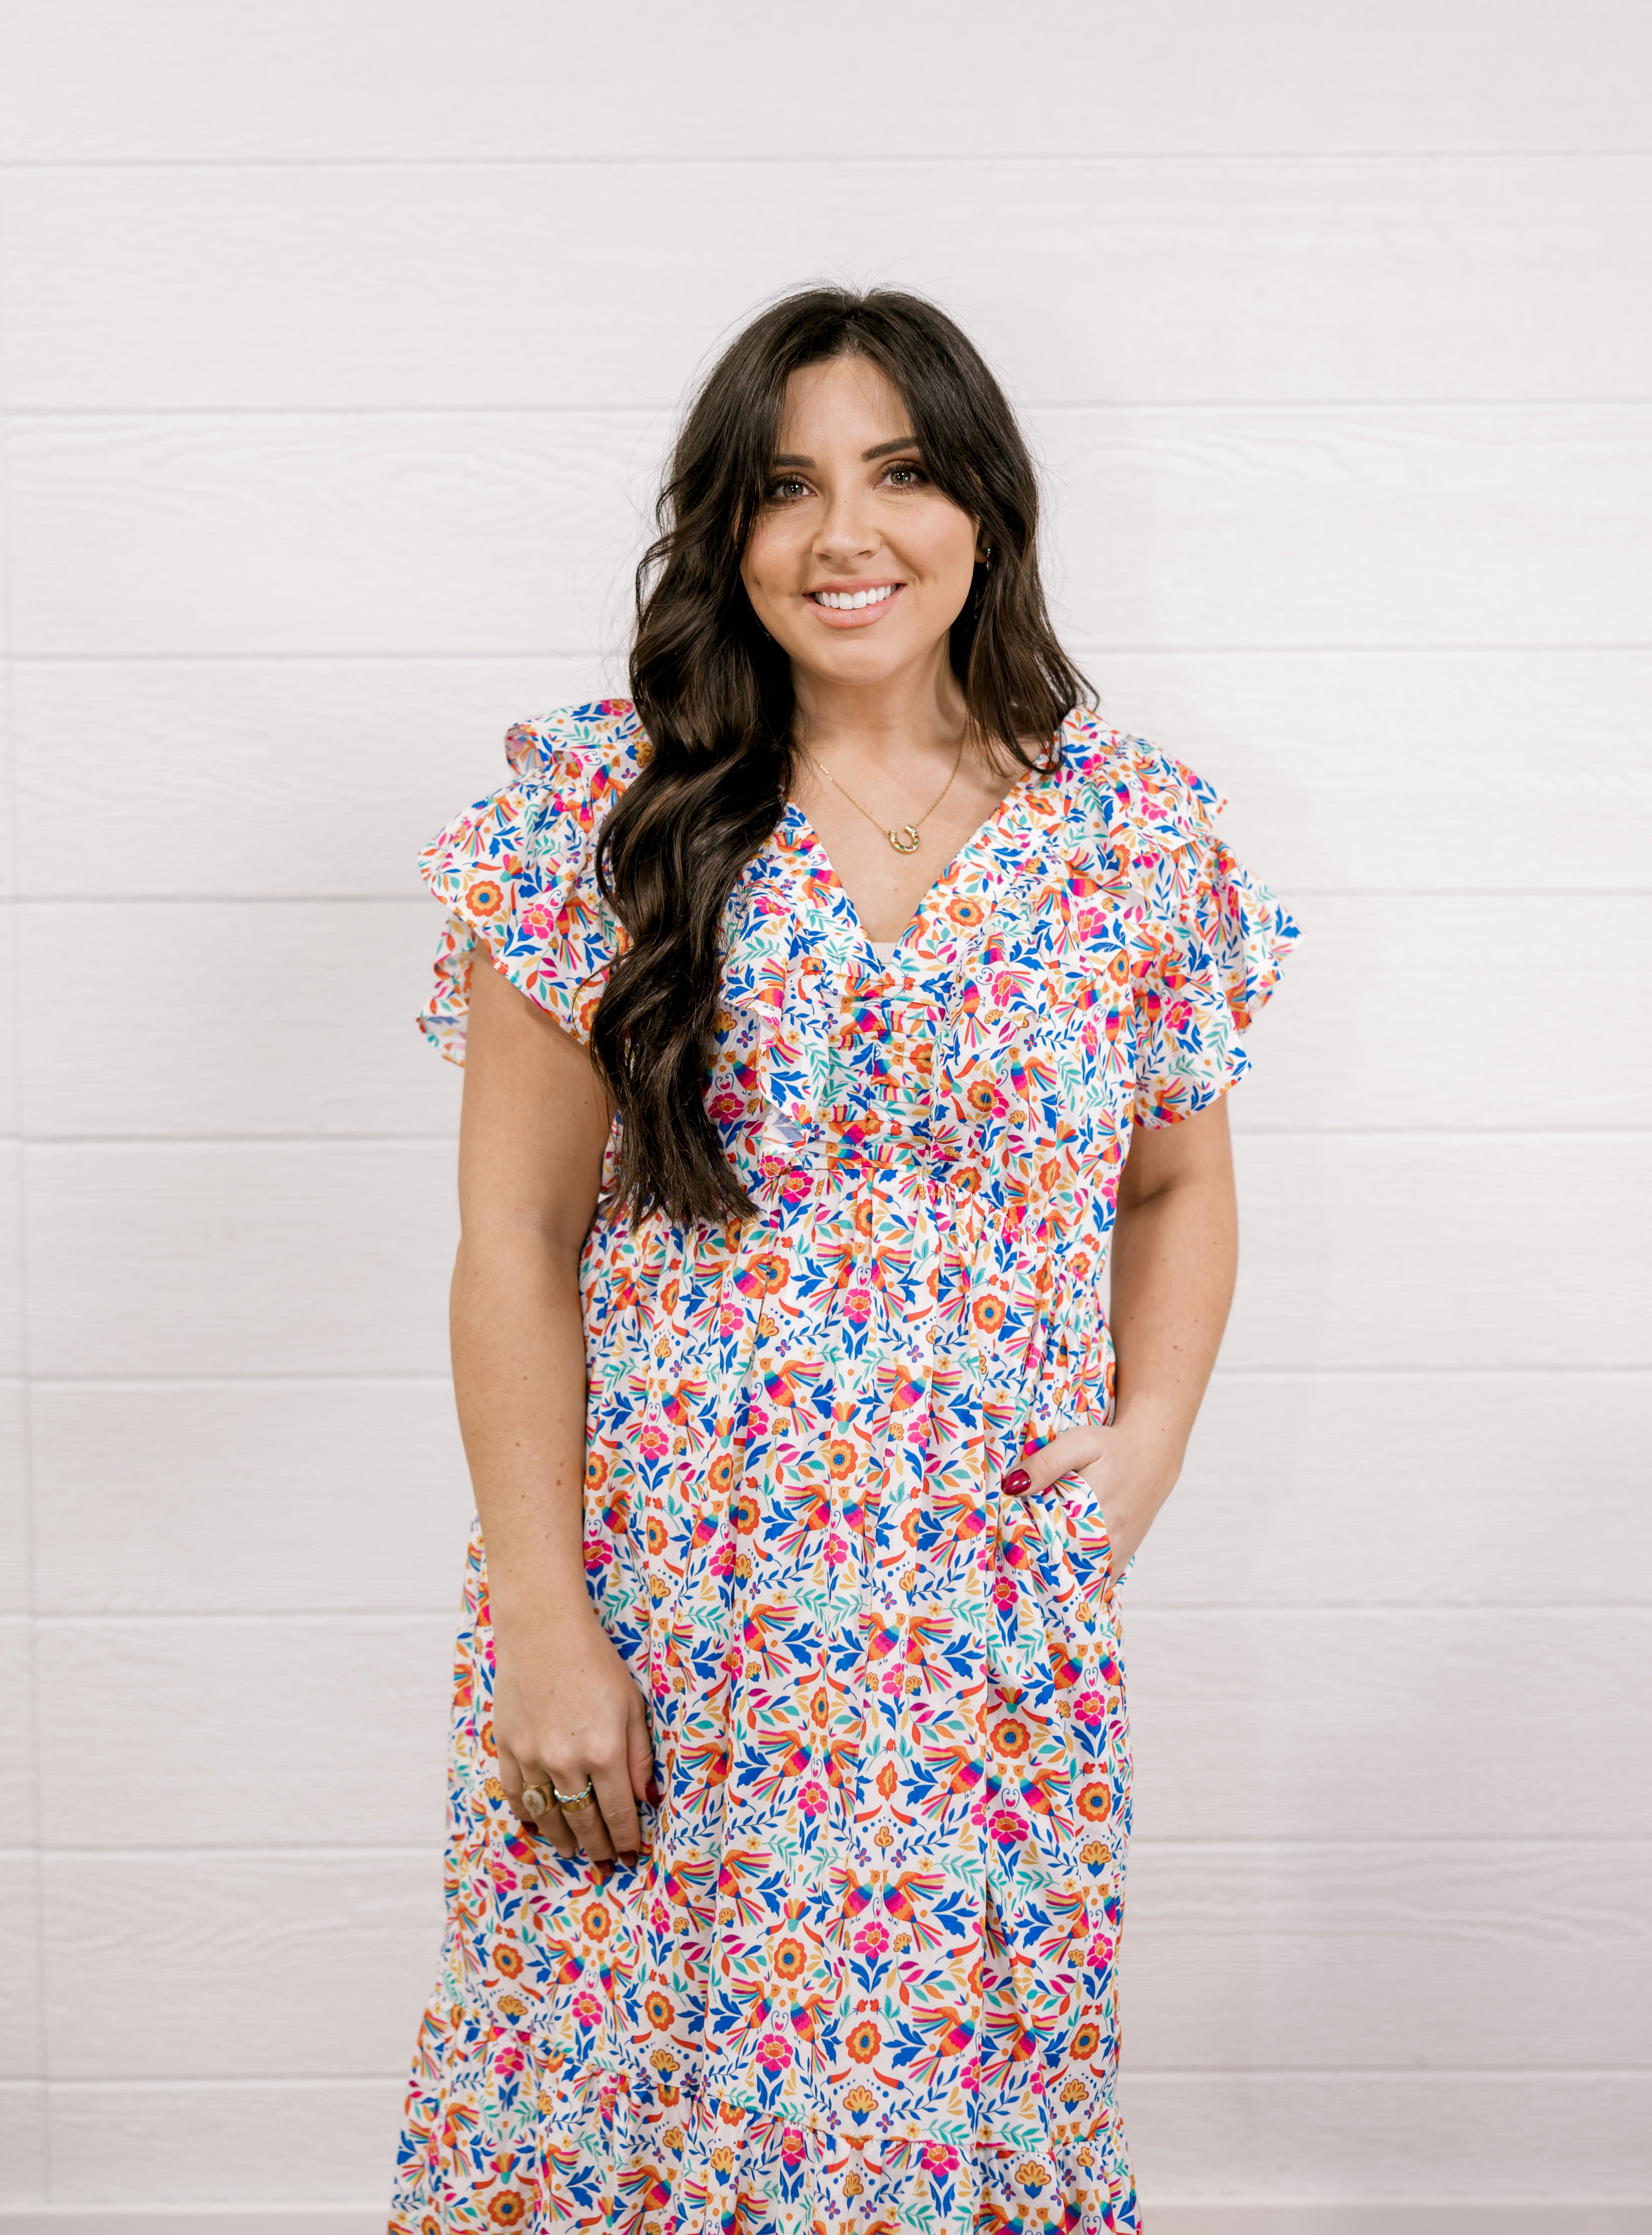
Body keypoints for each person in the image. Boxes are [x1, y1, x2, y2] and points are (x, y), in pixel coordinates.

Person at [389, 287, 1296, 2235]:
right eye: (785, 487)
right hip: (669, 1611)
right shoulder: (595, 814)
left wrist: (1146, 1440)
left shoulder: (1133, 834)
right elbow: (511, 1239)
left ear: (985, 504)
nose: (843, 535)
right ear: (725, 529)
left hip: (975, 1633)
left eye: (898, 473)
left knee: (946, 2124)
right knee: (614, 2104)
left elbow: (1176, 1184)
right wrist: (546, 1622)